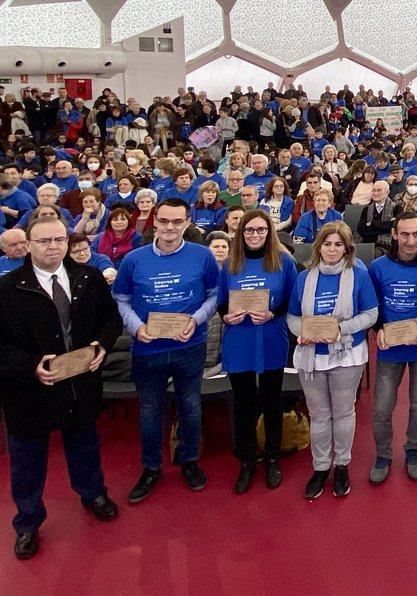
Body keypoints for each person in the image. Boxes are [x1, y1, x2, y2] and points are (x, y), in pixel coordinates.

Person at [0, 216, 122, 560]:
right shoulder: (4, 290)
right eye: (44, 241)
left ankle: (93, 494)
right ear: (27, 245)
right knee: (27, 461)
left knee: (85, 446)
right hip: (29, 391)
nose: (53, 247)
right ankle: (27, 523)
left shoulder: (89, 278)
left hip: (80, 384)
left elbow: (110, 319)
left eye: (59, 240)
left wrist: (102, 345)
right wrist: (28, 365)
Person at [111, 197, 222, 504]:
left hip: (191, 344)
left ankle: (189, 461)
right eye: (164, 221)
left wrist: (196, 319)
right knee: (149, 410)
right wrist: (137, 328)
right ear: (154, 222)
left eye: (177, 221)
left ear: (187, 223)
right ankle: (150, 467)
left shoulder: (203, 256)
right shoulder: (134, 259)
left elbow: (214, 296)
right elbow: (121, 299)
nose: (170, 227)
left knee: (190, 405)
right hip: (148, 348)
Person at [288, 221, 378, 499]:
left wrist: (341, 330)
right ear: (319, 247)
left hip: (347, 355)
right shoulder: (304, 278)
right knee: (319, 415)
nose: (332, 249)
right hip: (311, 357)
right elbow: (292, 316)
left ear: (347, 248)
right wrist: (301, 332)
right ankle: (320, 467)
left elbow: (371, 314)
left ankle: (341, 465)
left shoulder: (359, 276)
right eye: (327, 244)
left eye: (338, 244)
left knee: (342, 413)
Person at [218, 208, 298, 494]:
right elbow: (221, 303)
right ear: (241, 233)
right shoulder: (229, 264)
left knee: (271, 400)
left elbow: (292, 302)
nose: (254, 235)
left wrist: (273, 313)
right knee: (243, 402)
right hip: (239, 338)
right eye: (249, 230)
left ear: (269, 232)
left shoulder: (284, 262)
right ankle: (247, 460)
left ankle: (273, 457)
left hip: (271, 336)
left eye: (260, 230)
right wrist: (226, 316)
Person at [368, 212, 417, 485]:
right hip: (390, 349)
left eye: (416, 234)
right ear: (395, 234)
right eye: (405, 234)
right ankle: (383, 454)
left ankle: (413, 449)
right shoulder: (377, 267)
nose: (411, 240)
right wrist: (378, 329)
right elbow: (371, 305)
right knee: (382, 409)